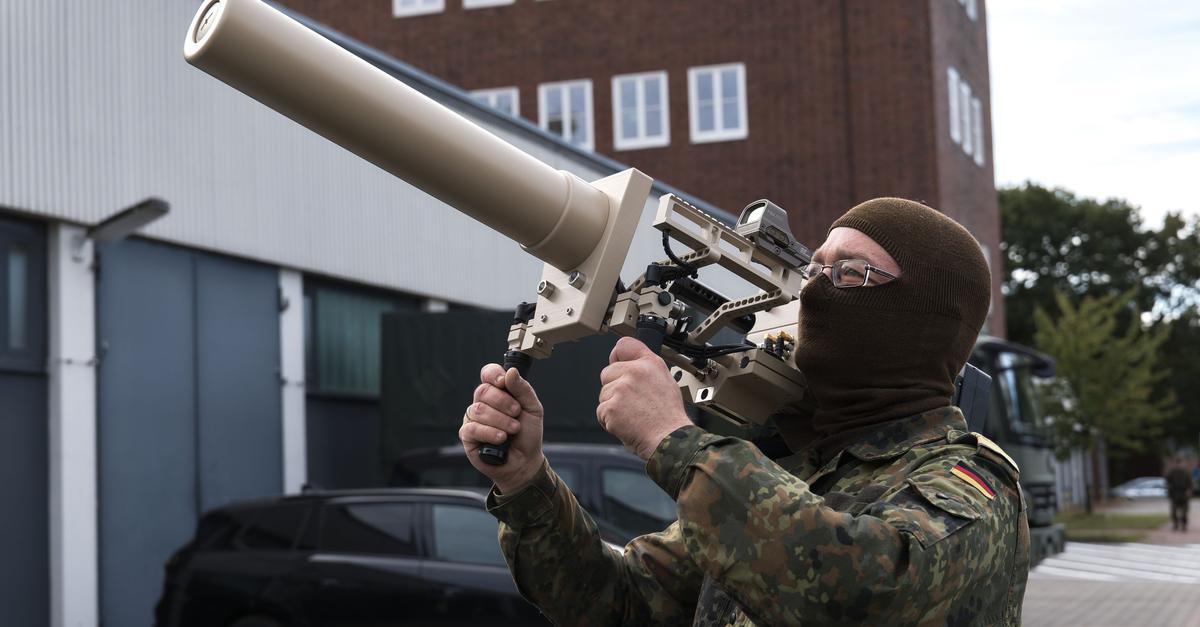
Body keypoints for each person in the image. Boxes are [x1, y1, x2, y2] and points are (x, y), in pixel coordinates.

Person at [460, 197, 1029, 625]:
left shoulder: (971, 482)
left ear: (925, 322)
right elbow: (620, 599)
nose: (814, 293)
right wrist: (525, 481)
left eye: (850, 273)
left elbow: (867, 594)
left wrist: (674, 440)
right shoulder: (795, 472)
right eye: (814, 270)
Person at [1166, 458, 1192, 532]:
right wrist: (1170, 490)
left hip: (1183, 493)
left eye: (1180, 463)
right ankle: (1175, 524)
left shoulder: (1186, 473)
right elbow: (1167, 481)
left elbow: (1190, 483)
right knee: (1174, 511)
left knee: (1184, 511)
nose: (1179, 465)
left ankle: (1184, 525)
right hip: (1175, 494)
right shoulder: (1172, 472)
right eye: (1177, 463)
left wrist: (1189, 491)